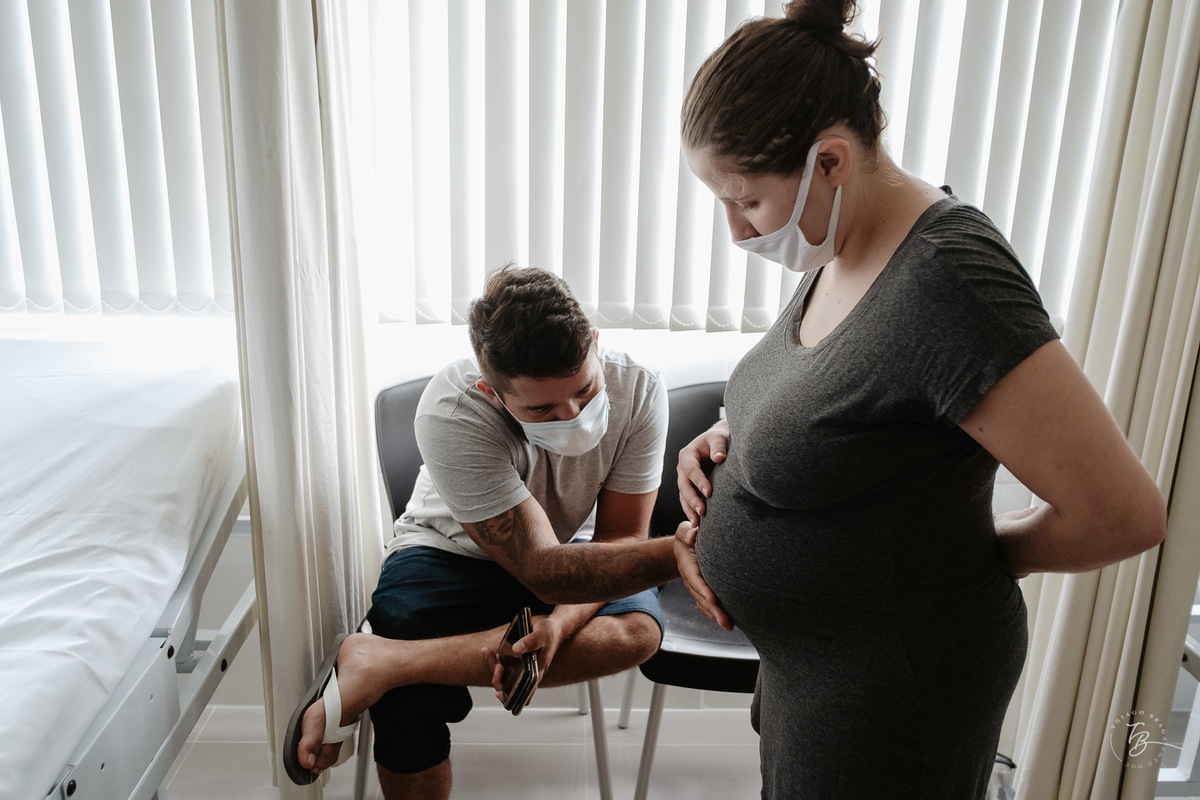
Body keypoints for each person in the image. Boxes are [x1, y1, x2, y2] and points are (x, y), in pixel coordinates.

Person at [671, 1, 1167, 798]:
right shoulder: (845, 245)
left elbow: (1122, 514)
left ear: (830, 162)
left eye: (747, 200)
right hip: (815, 669)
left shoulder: (950, 279)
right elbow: (846, 396)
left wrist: (976, 559)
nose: (735, 230)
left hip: (893, 689)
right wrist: (732, 434)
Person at [286, 265, 679, 798]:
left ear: (595, 343)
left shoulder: (640, 387)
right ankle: (396, 671)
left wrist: (558, 625)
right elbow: (541, 571)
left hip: (568, 551)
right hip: (447, 550)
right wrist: (687, 553)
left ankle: (382, 663)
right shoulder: (452, 410)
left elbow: (621, 539)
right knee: (407, 703)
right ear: (492, 393)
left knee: (637, 632)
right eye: (543, 408)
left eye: (585, 389)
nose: (574, 414)